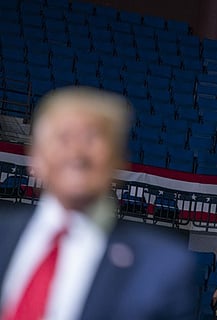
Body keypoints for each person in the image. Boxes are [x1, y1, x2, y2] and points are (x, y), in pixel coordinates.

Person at [0, 86, 195, 320]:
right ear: (35, 159)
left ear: (118, 163)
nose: (77, 152)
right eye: (63, 138)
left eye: (92, 139)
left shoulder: (165, 267)